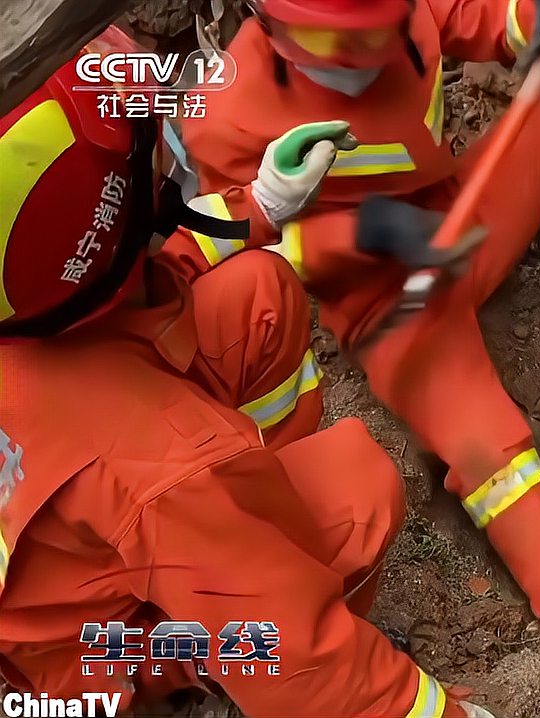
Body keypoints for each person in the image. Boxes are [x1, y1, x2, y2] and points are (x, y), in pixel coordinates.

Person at [179, 1, 540, 713]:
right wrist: (365, 235)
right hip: (388, 303)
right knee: (495, 462)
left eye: (377, 38)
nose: (367, 63)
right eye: (340, 49)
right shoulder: (229, 112)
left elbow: (483, 15)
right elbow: (239, 246)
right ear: (271, 25)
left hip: (456, 216)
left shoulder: (403, 12)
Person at [0, 40, 496, 718]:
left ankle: (244, 530)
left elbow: (139, 278)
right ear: (99, 236)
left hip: (57, 582)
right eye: (153, 162)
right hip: (87, 663)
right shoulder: (157, 462)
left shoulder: (30, 300)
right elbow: (304, 658)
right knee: (358, 496)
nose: (168, 158)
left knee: (258, 296)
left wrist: (259, 203)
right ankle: (213, 675)